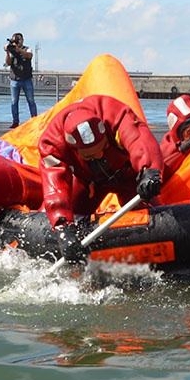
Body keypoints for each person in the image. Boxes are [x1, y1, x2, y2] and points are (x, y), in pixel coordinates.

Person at [38, 95, 164, 261]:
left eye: (103, 147)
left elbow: (138, 139)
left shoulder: (114, 113)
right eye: (91, 155)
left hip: (129, 179)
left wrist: (149, 170)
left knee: (153, 216)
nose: (99, 155)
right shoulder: (53, 143)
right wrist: (62, 227)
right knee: (69, 214)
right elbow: (54, 185)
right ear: (74, 149)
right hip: (88, 183)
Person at [5, 32, 37, 128]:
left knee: (31, 100)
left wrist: (18, 50)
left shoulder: (27, 49)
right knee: (14, 102)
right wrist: (7, 52)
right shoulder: (12, 50)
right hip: (15, 79)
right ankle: (15, 122)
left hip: (26, 79)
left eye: (19, 40)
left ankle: (34, 120)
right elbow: (8, 62)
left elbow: (29, 55)